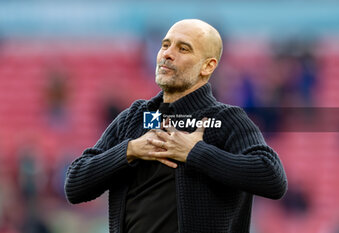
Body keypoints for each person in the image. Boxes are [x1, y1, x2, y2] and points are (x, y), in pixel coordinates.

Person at [64, 19, 288, 233]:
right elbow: (74, 185)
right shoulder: (135, 118)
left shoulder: (225, 120)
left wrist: (195, 152)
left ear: (207, 66)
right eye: (165, 45)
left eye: (183, 49)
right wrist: (130, 150)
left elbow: (272, 178)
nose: (167, 54)